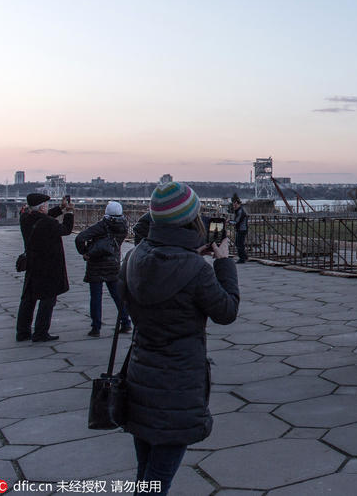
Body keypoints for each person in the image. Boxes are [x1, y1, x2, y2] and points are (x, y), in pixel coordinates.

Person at [121, 182, 239, 495]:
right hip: (178, 386)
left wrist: (186, 253)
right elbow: (227, 311)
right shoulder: (196, 270)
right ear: (191, 218)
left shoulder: (133, 257)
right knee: (157, 481)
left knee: (146, 476)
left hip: (140, 376)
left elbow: (153, 283)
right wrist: (223, 260)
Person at [16, 193, 74, 342]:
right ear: (42, 207)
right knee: (48, 299)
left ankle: (22, 332)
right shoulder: (48, 223)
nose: (47, 207)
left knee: (28, 299)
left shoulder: (25, 219)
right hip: (48, 266)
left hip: (32, 263)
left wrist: (60, 208)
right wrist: (69, 213)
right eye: (46, 205)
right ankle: (41, 332)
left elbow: (44, 217)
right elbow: (66, 230)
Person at [74, 201, 131, 337]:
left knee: (96, 297)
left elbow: (80, 238)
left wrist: (85, 252)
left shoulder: (102, 226)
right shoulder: (123, 226)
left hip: (96, 265)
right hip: (113, 264)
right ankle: (125, 322)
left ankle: (96, 327)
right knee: (117, 295)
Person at [231, 196, 248, 263]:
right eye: (233, 205)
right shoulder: (239, 210)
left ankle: (242, 258)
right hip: (241, 229)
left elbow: (237, 221)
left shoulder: (240, 211)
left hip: (242, 229)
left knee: (239, 244)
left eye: (235, 205)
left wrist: (229, 221)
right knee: (240, 243)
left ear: (239, 204)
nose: (234, 206)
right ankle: (245, 256)